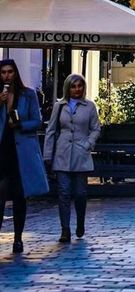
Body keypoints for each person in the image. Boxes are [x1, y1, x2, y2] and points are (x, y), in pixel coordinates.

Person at [43, 73, 100, 243]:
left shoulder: (89, 106)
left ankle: (80, 222)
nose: (76, 89)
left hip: (81, 154)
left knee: (80, 193)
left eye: (79, 86)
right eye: (73, 86)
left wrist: (89, 143)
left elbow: (96, 128)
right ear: (68, 88)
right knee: (64, 193)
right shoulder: (59, 106)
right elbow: (51, 130)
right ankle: (65, 229)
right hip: (62, 153)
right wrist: (48, 155)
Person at [0, 58, 48, 254]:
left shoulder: (27, 95)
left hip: (21, 150)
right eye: (3, 72)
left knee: (20, 195)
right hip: (2, 149)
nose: (7, 76)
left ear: (15, 73)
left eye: (10, 72)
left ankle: (18, 238)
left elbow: (37, 121)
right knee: (0, 194)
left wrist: (20, 125)